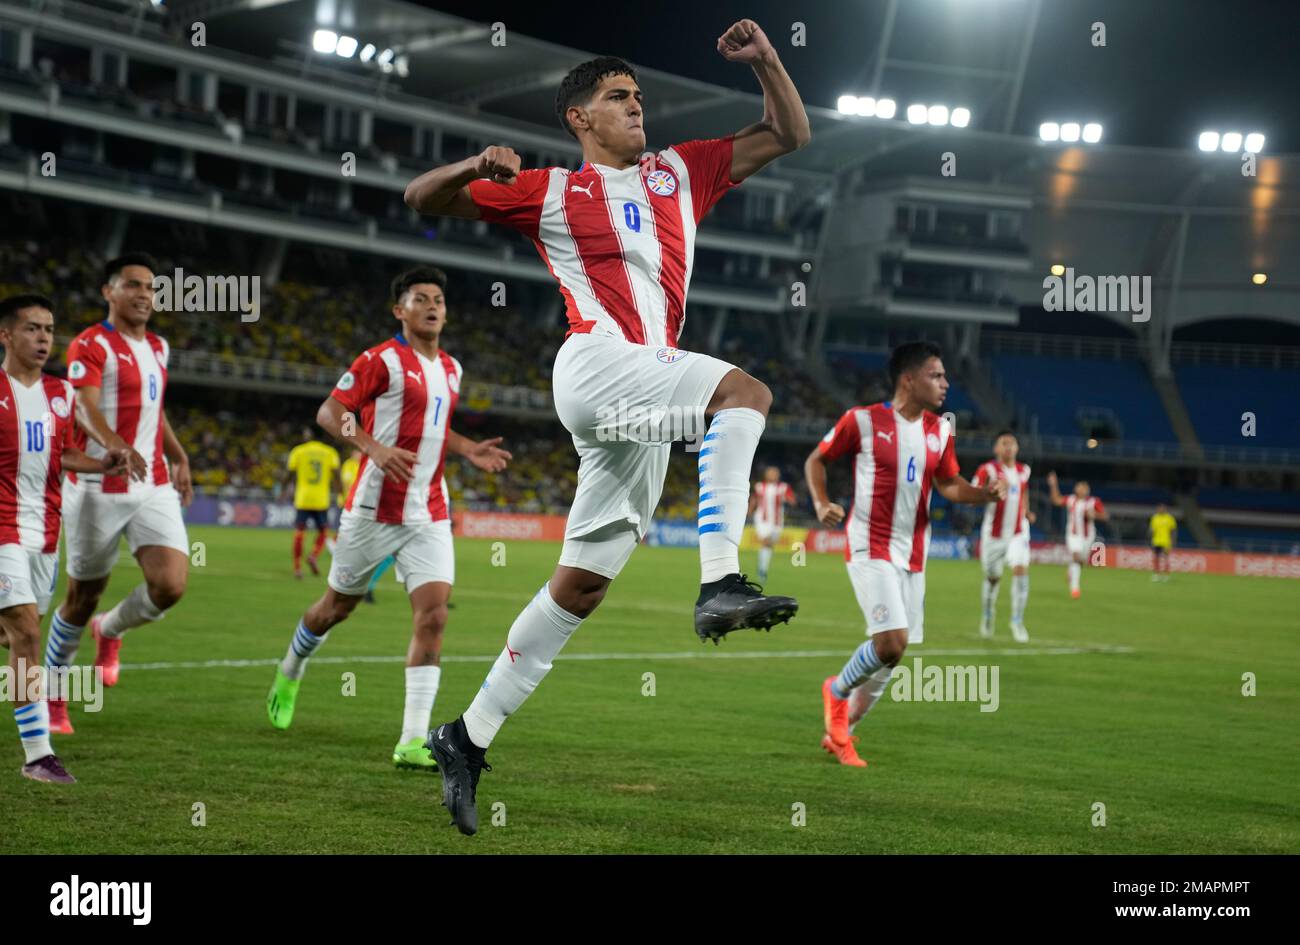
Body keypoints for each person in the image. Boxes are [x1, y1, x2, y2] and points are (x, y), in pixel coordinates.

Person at [405, 18, 811, 834]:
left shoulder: (681, 172)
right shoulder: (554, 189)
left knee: (582, 585)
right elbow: (421, 200)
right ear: (578, 118)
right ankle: (720, 580)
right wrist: (474, 166)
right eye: (618, 98)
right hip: (596, 364)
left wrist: (768, 61)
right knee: (746, 394)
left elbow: (789, 134)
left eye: (639, 96)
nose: (637, 107)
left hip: (641, 403)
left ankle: (464, 736)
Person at [265, 267, 510, 772]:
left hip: (430, 511)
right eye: (420, 298)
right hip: (374, 508)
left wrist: (467, 449)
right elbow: (331, 412)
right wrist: (371, 445)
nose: (432, 306)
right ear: (400, 310)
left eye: (438, 298)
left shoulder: (452, 368)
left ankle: (412, 740)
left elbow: (435, 428)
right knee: (335, 608)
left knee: (434, 615)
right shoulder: (380, 360)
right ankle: (290, 670)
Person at [806, 342, 1006, 767]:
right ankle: (837, 691)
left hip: (915, 554)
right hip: (869, 543)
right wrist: (822, 502)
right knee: (891, 641)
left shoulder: (940, 430)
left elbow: (950, 484)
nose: (945, 384)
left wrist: (982, 494)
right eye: (936, 375)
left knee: (895, 654)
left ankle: (842, 733)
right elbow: (816, 460)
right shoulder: (862, 421)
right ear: (908, 379)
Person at [45, 254, 193, 735]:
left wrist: (179, 455)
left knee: (170, 585)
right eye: (133, 285)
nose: (145, 295)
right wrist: (115, 445)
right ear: (109, 292)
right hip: (96, 486)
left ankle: (109, 630)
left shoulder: (159, 347)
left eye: (151, 287)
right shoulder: (90, 344)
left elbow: (157, 408)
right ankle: (53, 694)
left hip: (151, 483)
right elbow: (82, 406)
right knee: (81, 595)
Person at [0, 294, 129, 779]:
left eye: (49, 330)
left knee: (15, 635)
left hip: (46, 533)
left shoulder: (59, 394)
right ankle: (38, 755)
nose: (43, 339)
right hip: (2, 528)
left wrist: (102, 462)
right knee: (28, 634)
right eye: (32, 329)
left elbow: (64, 455)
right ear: (6, 335)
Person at [972, 431, 1034, 642]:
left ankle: (1017, 621)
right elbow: (972, 494)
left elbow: (1024, 492)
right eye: (1003, 443)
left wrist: (1026, 511)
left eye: (1012, 443)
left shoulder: (1024, 471)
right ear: (996, 448)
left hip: (1018, 532)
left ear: (1017, 448)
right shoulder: (987, 470)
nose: (1008, 446)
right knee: (993, 578)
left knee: (1021, 571)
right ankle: (988, 614)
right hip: (994, 535)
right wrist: (989, 492)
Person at [282, 428, 342, 579]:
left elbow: (289, 474)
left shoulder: (298, 451)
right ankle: (313, 555)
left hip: (302, 498)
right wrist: (340, 491)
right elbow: (336, 474)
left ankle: (297, 567)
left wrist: (282, 489)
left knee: (299, 532)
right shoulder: (329, 452)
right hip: (321, 499)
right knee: (323, 532)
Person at [1046, 473, 1107, 598]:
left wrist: (1094, 515)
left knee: (1081, 561)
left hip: (1088, 536)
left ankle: (1071, 571)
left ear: (1087, 490)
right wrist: (1053, 484)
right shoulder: (1071, 500)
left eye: (1083, 487)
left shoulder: (1093, 502)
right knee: (1076, 556)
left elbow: (1105, 516)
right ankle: (1075, 589)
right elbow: (1055, 500)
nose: (1080, 489)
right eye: (1079, 487)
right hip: (1073, 535)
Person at [748, 466, 794, 582]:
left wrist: (788, 499)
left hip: (777, 522)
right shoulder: (759, 486)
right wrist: (749, 511)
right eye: (771, 473)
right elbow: (754, 499)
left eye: (775, 473)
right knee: (766, 541)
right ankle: (762, 571)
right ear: (766, 475)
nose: (773, 475)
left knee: (769, 545)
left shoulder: (783, 487)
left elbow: (792, 500)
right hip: (762, 520)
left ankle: (762, 567)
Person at [1148, 503, 1177, 582]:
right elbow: (1151, 529)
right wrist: (1151, 535)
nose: (1160, 510)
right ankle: (1156, 574)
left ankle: (1166, 575)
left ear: (1165, 509)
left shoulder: (1169, 518)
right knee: (1156, 558)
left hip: (1166, 542)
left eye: (1162, 508)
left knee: (1165, 558)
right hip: (1156, 541)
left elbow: (1173, 530)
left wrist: (1173, 541)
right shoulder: (1155, 517)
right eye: (1159, 508)